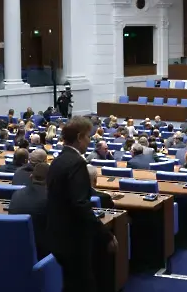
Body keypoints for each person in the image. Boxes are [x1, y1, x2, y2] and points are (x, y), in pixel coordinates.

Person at [46, 117, 117, 292]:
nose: (89, 140)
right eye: (88, 136)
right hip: (74, 239)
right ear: (79, 137)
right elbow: (80, 204)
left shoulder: (57, 160)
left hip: (56, 234)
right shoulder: (77, 163)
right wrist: (106, 235)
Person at [9, 162, 50, 259]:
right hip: (43, 256)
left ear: (31, 177)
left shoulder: (16, 194)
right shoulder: (53, 198)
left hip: (15, 250)